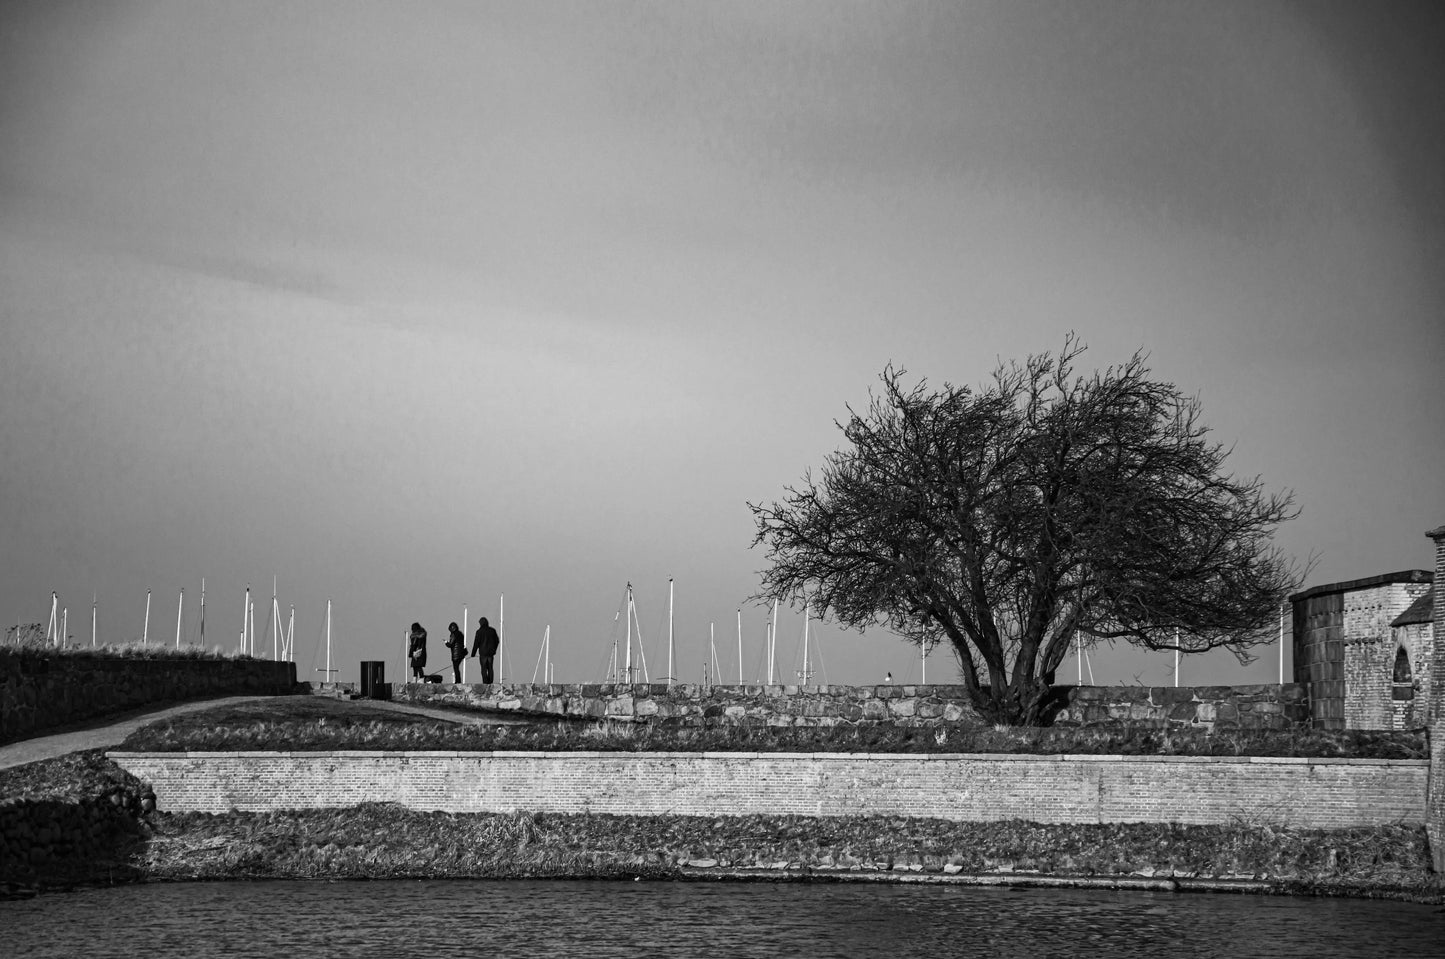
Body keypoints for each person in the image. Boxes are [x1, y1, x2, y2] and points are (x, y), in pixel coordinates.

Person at [472, 616, 500, 684]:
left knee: (483, 668)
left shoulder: (479, 632)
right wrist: (494, 650)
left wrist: (473, 653)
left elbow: (476, 643)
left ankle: (485, 682)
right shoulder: (492, 630)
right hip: (490, 653)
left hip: (483, 653)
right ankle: (490, 682)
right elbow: (497, 641)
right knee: (490, 668)